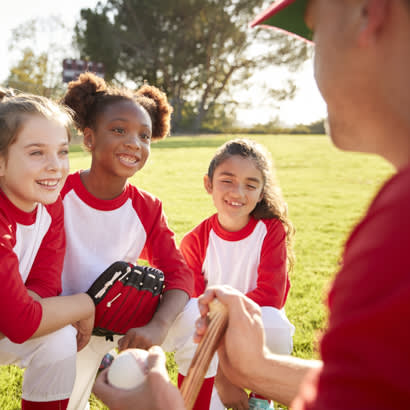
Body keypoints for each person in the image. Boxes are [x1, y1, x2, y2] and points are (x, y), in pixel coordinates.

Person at [92, 0, 410, 408]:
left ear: (369, 14)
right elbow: (371, 389)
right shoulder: (395, 213)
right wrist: (253, 369)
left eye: (316, 35)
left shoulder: (396, 230)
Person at [60, 72, 198, 410]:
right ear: (89, 139)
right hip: (66, 326)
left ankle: (198, 402)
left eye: (144, 136)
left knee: (196, 319)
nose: (134, 143)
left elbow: (180, 275)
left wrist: (159, 326)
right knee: (68, 400)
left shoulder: (147, 207)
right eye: (119, 130)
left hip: (120, 322)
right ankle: (97, 368)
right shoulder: (57, 192)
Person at [179, 138, 295, 410]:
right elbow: (196, 311)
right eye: (227, 180)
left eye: (251, 185)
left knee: (275, 322)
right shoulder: (194, 241)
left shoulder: (270, 230)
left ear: (261, 192)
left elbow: (271, 296)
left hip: (256, 328)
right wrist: (222, 378)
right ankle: (213, 379)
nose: (238, 192)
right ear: (208, 184)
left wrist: (226, 313)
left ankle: (261, 396)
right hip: (210, 339)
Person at [0, 88, 95, 410]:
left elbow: (46, 285)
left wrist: (20, 310)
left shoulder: (48, 206)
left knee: (57, 337)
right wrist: (84, 304)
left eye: (63, 152)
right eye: (37, 153)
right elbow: (21, 322)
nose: (55, 166)